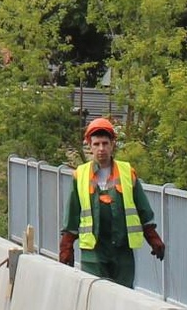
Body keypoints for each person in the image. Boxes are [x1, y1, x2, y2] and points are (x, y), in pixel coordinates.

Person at [58, 117, 165, 286]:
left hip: (122, 250)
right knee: (95, 296)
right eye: (96, 144)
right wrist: (66, 246)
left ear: (112, 144)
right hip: (93, 252)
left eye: (105, 143)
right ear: (89, 146)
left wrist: (152, 237)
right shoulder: (80, 175)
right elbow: (72, 213)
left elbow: (142, 207)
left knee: (123, 298)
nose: (101, 149)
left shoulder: (127, 172)